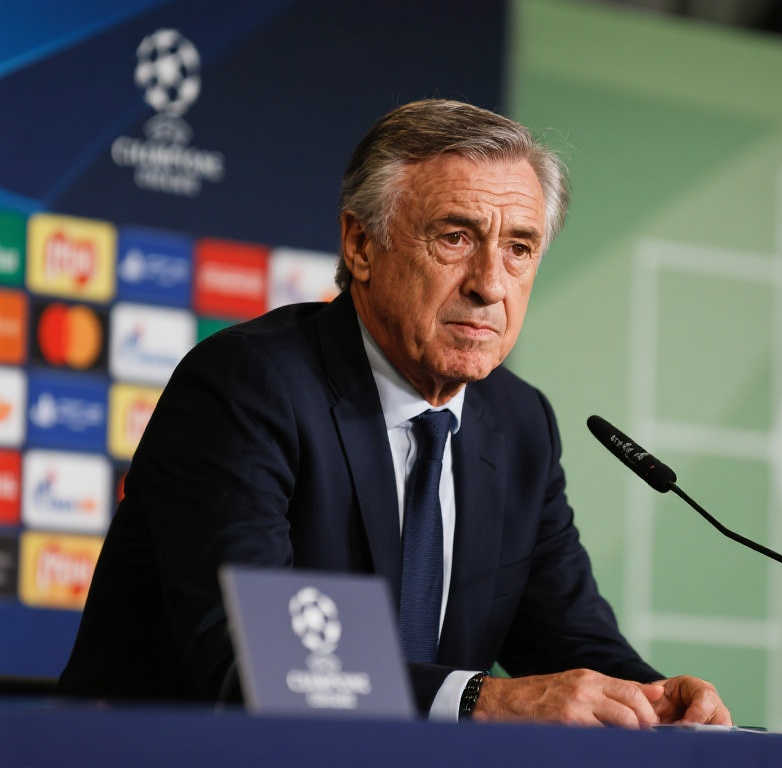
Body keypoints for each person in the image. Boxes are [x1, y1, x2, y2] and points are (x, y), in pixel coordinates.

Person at [60, 99, 731, 728]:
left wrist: (659, 703)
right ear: (360, 246)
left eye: (520, 249)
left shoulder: (518, 423)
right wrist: (480, 699)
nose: (490, 284)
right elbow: (255, 659)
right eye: (456, 237)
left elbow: (569, 637)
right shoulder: (250, 386)